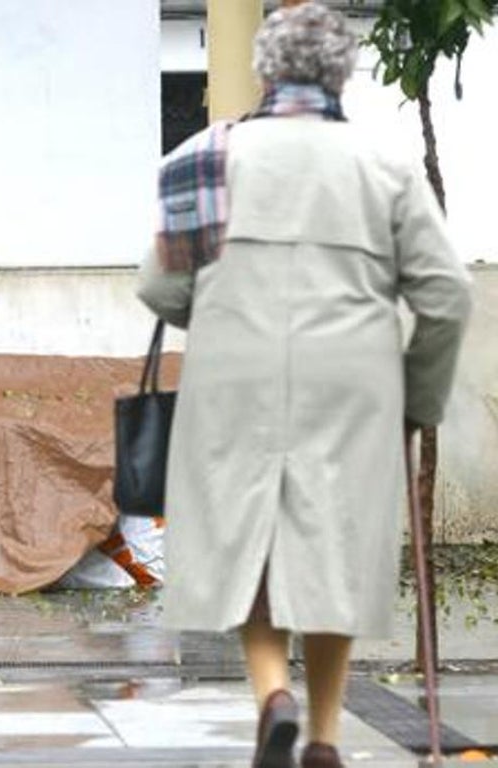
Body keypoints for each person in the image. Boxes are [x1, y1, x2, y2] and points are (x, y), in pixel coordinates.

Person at [136, 4, 473, 767]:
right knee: (334, 549)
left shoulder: (206, 155)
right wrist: (417, 400)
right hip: (351, 384)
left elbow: (158, 288)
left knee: (246, 543)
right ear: (343, 72)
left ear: (265, 70)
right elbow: (447, 297)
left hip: (236, 374)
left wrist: (218, 303)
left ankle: (272, 698)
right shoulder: (384, 168)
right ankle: (323, 736)